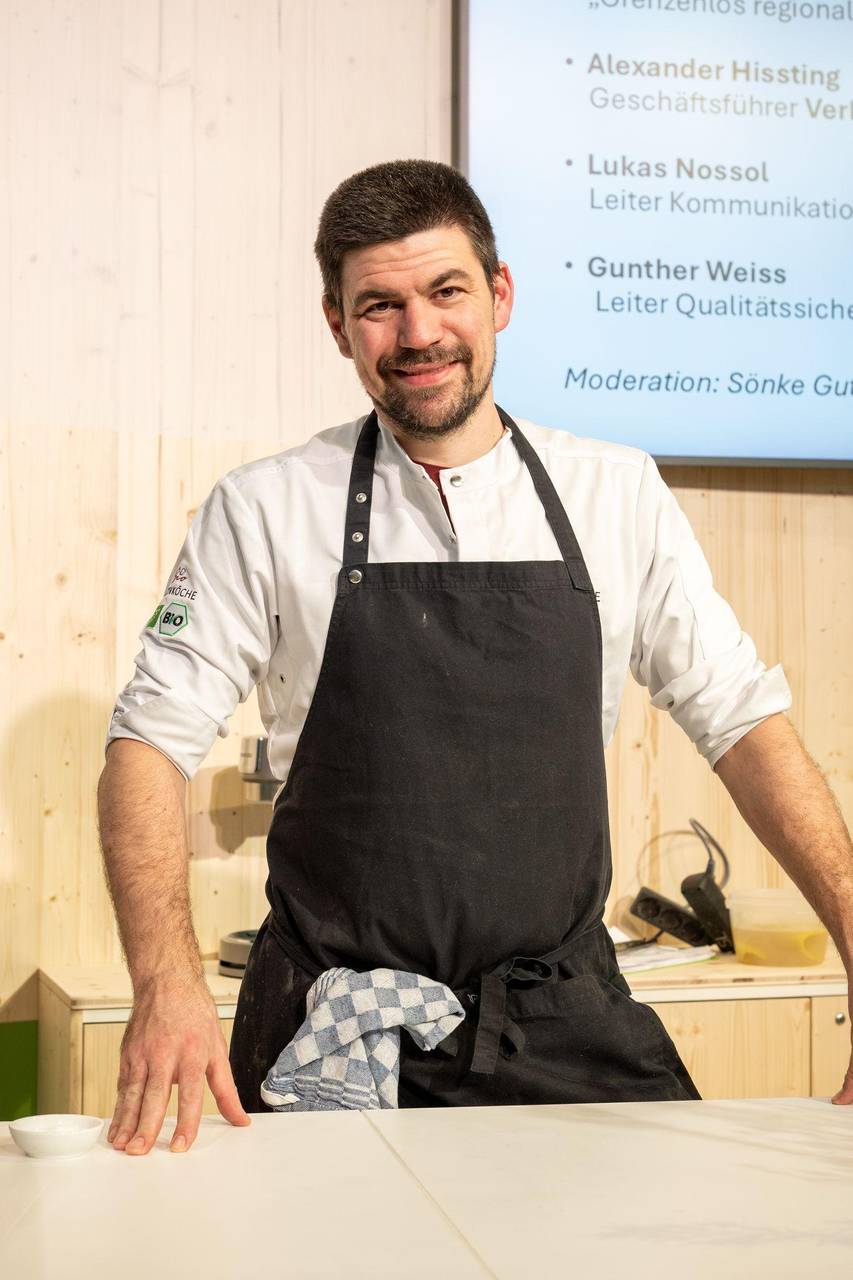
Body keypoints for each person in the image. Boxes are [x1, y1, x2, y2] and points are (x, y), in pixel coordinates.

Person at [98, 159, 853, 1158]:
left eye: (445, 291)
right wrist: (166, 981)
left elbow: (742, 721)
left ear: (498, 295)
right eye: (380, 305)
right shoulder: (266, 506)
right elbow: (147, 744)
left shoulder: (614, 493)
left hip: (560, 1022)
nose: (418, 333)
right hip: (334, 1025)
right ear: (337, 325)